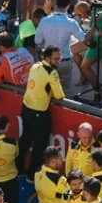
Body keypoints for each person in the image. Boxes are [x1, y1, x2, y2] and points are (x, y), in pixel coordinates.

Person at [19, 46, 64, 176]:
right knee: (40, 145)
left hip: (26, 108)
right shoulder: (52, 73)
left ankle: (19, 169)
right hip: (39, 113)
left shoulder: (35, 65)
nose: (58, 61)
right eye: (55, 59)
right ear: (47, 58)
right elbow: (59, 95)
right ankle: (32, 174)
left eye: (59, 58)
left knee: (25, 140)